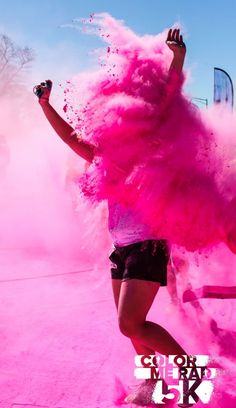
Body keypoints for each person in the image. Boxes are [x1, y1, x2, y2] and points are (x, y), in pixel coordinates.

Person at [34, 29, 202, 407]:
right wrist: (46, 106)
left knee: (131, 322)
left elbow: (167, 102)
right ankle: (152, 386)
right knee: (133, 331)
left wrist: (177, 59)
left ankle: (190, 370)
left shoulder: (148, 145)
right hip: (122, 247)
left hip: (148, 242)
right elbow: (70, 139)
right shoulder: (104, 156)